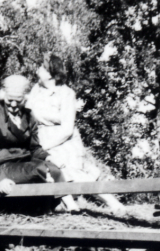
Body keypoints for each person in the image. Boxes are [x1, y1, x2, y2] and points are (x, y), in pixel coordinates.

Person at [26, 53, 126, 213]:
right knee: (52, 171)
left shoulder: (66, 94)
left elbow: (67, 129)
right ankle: (71, 206)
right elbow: (28, 111)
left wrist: (44, 146)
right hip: (42, 137)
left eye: (42, 67)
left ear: (51, 73)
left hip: (64, 141)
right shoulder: (36, 90)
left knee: (77, 174)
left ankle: (115, 205)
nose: (38, 69)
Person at [0, 74, 80, 211]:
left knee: (53, 169)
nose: (13, 105)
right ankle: (57, 204)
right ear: (2, 96)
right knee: (39, 170)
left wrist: (49, 157)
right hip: (1, 166)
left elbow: (34, 148)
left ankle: (68, 205)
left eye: (18, 101)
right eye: (9, 100)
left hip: (23, 163)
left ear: (25, 98)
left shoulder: (29, 116)